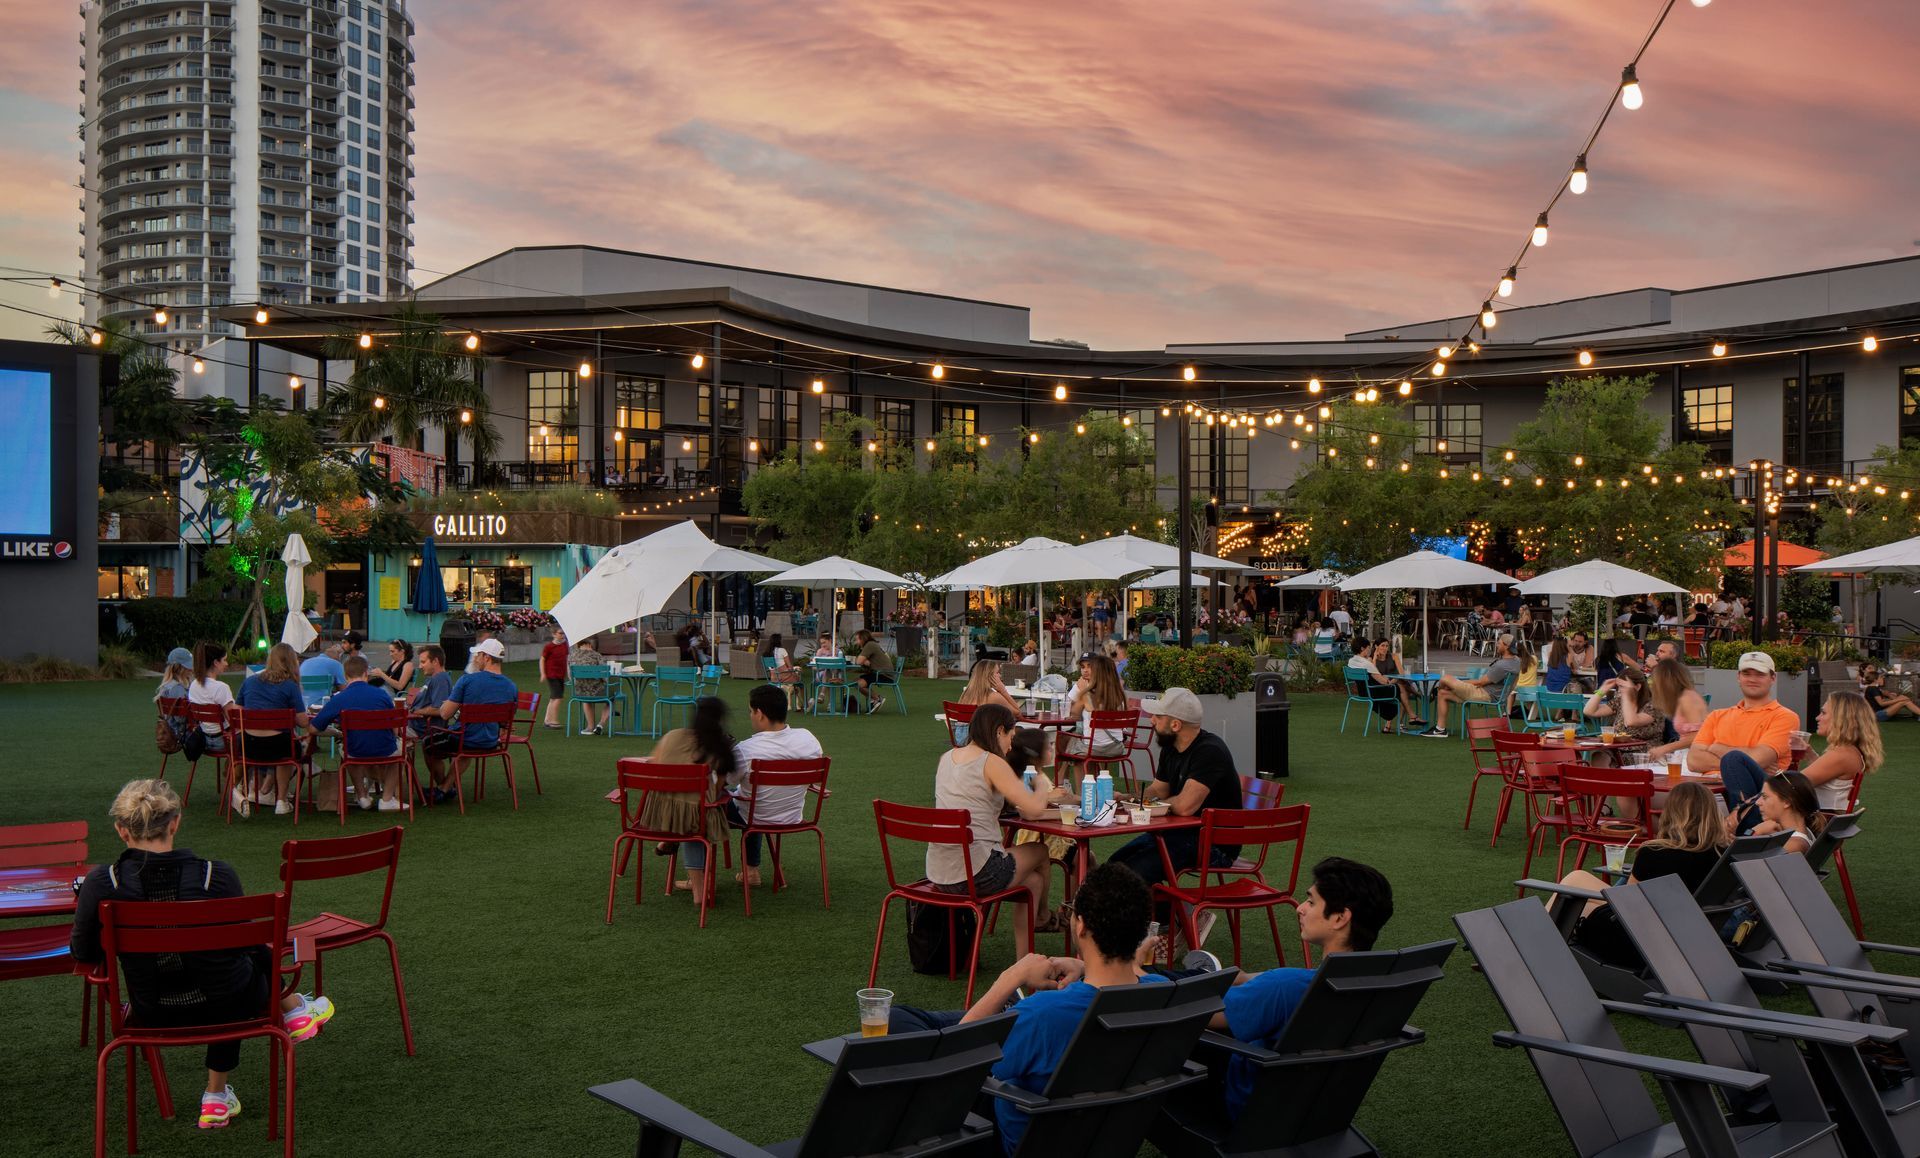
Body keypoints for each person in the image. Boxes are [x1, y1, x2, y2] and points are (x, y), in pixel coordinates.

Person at [69, 779, 336, 1132]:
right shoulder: (217, 876)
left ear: (122, 831)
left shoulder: (102, 883)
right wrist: (281, 985)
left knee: (230, 970)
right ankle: (225, 1082)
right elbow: (252, 949)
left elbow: (82, 951)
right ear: (175, 823)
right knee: (238, 969)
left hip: (151, 1013)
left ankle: (290, 1017)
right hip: (228, 1007)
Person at [884, 863, 1158, 1154]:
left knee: (898, 1022)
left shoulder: (1045, 1014)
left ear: (1081, 925)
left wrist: (1009, 979)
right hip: (1095, 1132)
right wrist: (1084, 966)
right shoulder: (1158, 993)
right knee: (911, 1021)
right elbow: (1134, 977)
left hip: (1016, 1136)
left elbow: (952, 1070)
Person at [1196, 857, 1395, 1119]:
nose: (1300, 908)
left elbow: (1198, 1016)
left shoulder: (1285, 986)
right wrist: (1248, 979)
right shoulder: (1377, 983)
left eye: (1311, 902)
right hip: (1316, 1113)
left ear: (1339, 918)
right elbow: (1271, 982)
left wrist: (1139, 972)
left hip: (1249, 1111)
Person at [930, 702, 1067, 955]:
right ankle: (1043, 916)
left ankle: (1024, 961)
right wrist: (1039, 782)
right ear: (999, 731)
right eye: (1010, 737)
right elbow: (1033, 810)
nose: (1011, 745)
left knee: (1033, 881)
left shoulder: (947, 758)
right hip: (976, 874)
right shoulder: (992, 762)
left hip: (939, 873)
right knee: (1039, 850)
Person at [1557, 781, 1728, 967]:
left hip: (1640, 944)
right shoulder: (1721, 854)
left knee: (1573, 903)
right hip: (1687, 939)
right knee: (1577, 878)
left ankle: (1538, 946)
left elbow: (1627, 904)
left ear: (1671, 812)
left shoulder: (1654, 853)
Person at [1107, 688, 1243, 917]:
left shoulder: (1209, 751)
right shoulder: (1172, 748)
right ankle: (1174, 919)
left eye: (1158, 717)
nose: (1151, 721)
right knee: (1115, 865)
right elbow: (1159, 789)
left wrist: (1153, 804)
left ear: (1175, 725)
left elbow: (1184, 806)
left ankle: (1175, 921)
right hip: (1182, 834)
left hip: (1214, 844)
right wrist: (1128, 798)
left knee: (1132, 872)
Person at [684, 684, 826, 888]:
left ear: (760, 714)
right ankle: (751, 870)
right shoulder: (808, 739)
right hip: (792, 815)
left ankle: (698, 880)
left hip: (755, 814)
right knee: (752, 798)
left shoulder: (746, 750)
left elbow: (726, 782)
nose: (750, 716)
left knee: (713, 806)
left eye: (751, 711)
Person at [1687, 650, 1799, 832]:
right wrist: (1743, 764)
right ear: (1738, 677)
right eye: (1747, 673)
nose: (1752, 679)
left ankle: (1745, 825)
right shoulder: (1717, 715)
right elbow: (1693, 760)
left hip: (1760, 795)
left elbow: (1759, 759)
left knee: (1733, 761)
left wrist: (1717, 748)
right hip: (1711, 790)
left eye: (1760, 674)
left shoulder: (1784, 717)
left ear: (1773, 678)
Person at [643, 696, 738, 897]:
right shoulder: (718, 747)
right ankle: (699, 889)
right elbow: (718, 789)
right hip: (696, 817)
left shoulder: (672, 735)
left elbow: (653, 763)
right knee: (699, 812)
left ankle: (670, 841)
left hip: (659, 813)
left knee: (689, 808)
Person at [311, 654, 404, 811]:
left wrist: (335, 732)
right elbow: (395, 731)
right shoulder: (382, 695)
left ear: (346, 677)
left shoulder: (339, 698)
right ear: (366, 674)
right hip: (385, 749)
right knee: (401, 752)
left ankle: (361, 795)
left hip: (355, 750)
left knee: (347, 750)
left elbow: (313, 728)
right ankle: (387, 798)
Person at [431, 637, 519, 803]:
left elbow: (444, 714)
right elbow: (506, 722)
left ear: (486, 657)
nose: (475, 659)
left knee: (429, 743)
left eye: (478, 655)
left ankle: (443, 787)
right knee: (470, 738)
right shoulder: (511, 686)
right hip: (491, 741)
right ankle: (445, 787)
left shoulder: (468, 680)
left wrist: (445, 705)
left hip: (465, 739)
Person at [234, 643, 311, 816]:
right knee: (289, 747)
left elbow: (236, 710)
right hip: (278, 747)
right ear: (292, 661)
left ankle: (260, 788)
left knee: (283, 743)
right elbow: (303, 721)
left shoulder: (250, 681)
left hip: (248, 745)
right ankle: (281, 801)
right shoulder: (290, 686)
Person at [1795, 690, 1882, 812]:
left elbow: (1791, 786)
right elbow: (1831, 782)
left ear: (1841, 719)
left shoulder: (1842, 754)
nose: (1817, 718)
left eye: (1823, 713)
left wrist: (1774, 770)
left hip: (1818, 821)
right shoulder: (1851, 751)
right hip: (1825, 818)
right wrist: (1811, 756)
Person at [1425, 634, 1521, 739]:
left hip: (1484, 694)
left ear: (1506, 646)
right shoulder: (1516, 661)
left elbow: (1480, 683)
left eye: (1499, 643)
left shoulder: (1502, 665)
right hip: (1496, 695)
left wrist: (1459, 683)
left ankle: (1436, 691)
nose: (1497, 645)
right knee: (1443, 693)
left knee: (1445, 678)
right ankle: (1440, 729)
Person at [1733, 770, 1827, 853]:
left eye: (1765, 797)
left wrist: (1754, 831)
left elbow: (1738, 858)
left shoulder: (1793, 845)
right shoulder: (1802, 832)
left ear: (1787, 802)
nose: (1758, 802)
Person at [1645, 658, 1710, 762]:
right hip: (1687, 754)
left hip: (1696, 756)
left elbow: (1699, 736)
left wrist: (1664, 748)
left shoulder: (1688, 698)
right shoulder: (1683, 697)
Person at [1065, 653, 1130, 756]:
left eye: (1092, 667)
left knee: (1069, 741)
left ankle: (1063, 772)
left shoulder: (1087, 694)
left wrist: (1083, 691)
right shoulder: (1119, 694)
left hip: (1093, 748)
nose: (1087, 670)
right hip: (1117, 747)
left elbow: (1074, 713)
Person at [1348, 638, 1406, 734]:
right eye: (1368, 648)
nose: (1369, 650)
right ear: (1362, 648)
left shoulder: (1351, 661)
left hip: (1362, 692)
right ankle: (1394, 719)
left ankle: (1390, 723)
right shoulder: (1367, 664)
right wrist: (1392, 681)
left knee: (1400, 688)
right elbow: (1383, 681)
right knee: (1399, 688)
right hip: (1373, 692)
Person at [405, 644, 455, 742]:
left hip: (420, 730)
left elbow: (439, 709)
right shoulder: (435, 678)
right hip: (414, 725)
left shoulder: (440, 679)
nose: (420, 666)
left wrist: (414, 711)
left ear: (435, 661)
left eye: (423, 662)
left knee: (383, 726)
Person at [570, 632, 611, 734]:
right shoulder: (596, 655)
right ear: (589, 645)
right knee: (612, 698)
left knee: (586, 699)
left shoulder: (572, 656)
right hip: (597, 691)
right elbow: (604, 674)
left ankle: (590, 727)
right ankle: (600, 724)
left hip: (580, 691)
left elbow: (570, 676)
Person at [155, 646, 195, 748]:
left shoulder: (166, 686)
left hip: (172, 730)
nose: (191, 669)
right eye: (188, 667)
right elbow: (181, 719)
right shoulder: (177, 688)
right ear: (179, 668)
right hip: (183, 734)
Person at [1856, 661, 1920, 721]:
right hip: (1877, 715)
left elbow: (1878, 702)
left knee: (1905, 700)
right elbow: (1881, 704)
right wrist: (1899, 700)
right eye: (1880, 678)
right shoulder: (1873, 688)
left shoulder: (1873, 688)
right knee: (1904, 701)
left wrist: (1898, 699)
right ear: (1875, 680)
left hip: (1878, 712)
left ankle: (1917, 715)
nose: (1882, 679)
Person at [852, 628, 894, 714]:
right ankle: (873, 699)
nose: (856, 642)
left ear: (863, 638)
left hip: (883, 674)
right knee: (855, 681)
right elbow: (863, 662)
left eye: (857, 639)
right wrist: (865, 661)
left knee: (858, 683)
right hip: (883, 673)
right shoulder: (872, 644)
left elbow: (859, 661)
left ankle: (877, 698)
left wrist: (862, 660)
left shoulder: (870, 645)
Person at [759, 632, 801, 708]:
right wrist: (793, 670)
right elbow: (790, 667)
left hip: (773, 678)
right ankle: (800, 705)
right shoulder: (782, 650)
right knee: (799, 682)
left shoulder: (766, 653)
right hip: (785, 677)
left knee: (795, 682)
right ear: (779, 641)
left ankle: (794, 703)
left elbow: (771, 668)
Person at [540, 628, 571, 729]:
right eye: (560, 633)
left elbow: (566, 660)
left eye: (563, 633)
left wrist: (568, 674)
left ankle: (547, 720)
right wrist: (543, 673)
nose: (562, 635)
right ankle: (553, 720)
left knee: (553, 698)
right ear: (554, 634)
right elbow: (542, 660)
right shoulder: (549, 646)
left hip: (560, 675)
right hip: (552, 674)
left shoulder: (564, 645)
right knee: (558, 697)